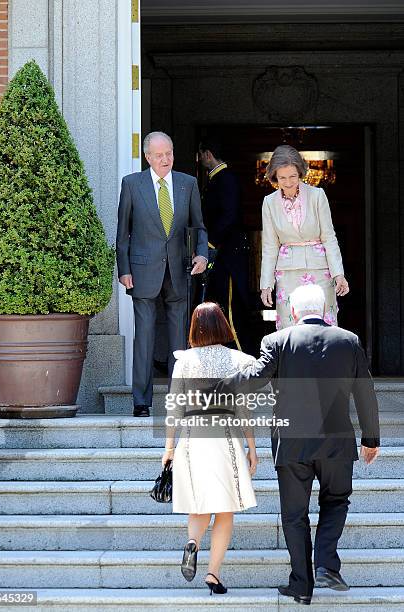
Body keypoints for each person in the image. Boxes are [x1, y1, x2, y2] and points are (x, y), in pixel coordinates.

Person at [218, 284, 380, 605]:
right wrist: (371, 439)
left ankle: (301, 585)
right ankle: (326, 564)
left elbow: (255, 378)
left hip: (291, 443)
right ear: (324, 311)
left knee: (294, 516)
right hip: (337, 441)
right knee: (336, 501)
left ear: (292, 312)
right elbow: (366, 394)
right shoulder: (349, 341)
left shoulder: (277, 341)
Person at [162, 302, 258, 594]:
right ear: (223, 326)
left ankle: (193, 543)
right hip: (225, 436)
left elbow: (174, 408)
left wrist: (168, 448)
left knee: (199, 503)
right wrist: (251, 447)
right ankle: (213, 574)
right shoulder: (238, 360)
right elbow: (244, 408)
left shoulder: (184, 361)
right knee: (225, 510)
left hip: (191, 439)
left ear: (193, 328)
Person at [116, 132, 208, 417]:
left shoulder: (187, 184)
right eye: (158, 155)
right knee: (144, 338)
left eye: (168, 153)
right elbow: (123, 233)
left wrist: (202, 254)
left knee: (179, 340)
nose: (165, 159)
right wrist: (124, 270)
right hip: (143, 272)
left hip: (179, 270)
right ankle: (141, 402)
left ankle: (178, 400)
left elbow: (199, 227)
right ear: (147, 157)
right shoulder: (132, 184)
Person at [260, 144, 350, 330]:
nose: (288, 182)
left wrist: (339, 274)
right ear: (274, 176)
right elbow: (269, 246)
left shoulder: (318, 196)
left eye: (293, 176)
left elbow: (329, 237)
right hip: (287, 272)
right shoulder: (269, 202)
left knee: (324, 324)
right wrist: (266, 284)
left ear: (300, 173)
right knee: (289, 326)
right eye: (282, 177)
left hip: (320, 270)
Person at [198, 139, 252, 353]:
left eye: (201, 155)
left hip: (228, 256)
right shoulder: (216, 179)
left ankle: (244, 358)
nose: (200, 159)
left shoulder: (225, 179)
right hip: (222, 255)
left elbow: (229, 216)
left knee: (231, 311)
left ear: (208, 154)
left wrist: (210, 243)